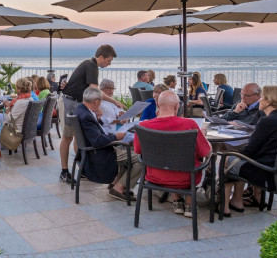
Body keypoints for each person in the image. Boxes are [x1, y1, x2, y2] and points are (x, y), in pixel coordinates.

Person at [134, 91, 212, 218]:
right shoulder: (189, 125)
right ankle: (189, 204)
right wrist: (203, 135)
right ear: (177, 107)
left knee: (168, 156)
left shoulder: (144, 126)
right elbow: (206, 152)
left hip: (155, 177)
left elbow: (138, 151)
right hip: (186, 178)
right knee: (194, 158)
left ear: (158, 106)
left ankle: (177, 201)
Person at [222, 85, 277, 216]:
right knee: (234, 159)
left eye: (262, 98)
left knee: (227, 159)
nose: (260, 100)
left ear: (268, 102)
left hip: (268, 174)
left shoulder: (267, 121)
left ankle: (225, 206)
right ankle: (236, 200)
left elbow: (249, 152)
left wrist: (229, 155)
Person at [58, 45, 124, 183]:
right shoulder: (91, 65)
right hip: (69, 102)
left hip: (77, 103)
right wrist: (114, 101)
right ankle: (64, 171)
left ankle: (83, 168)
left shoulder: (90, 65)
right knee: (67, 137)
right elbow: (95, 91)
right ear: (101, 57)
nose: (109, 64)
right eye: (109, 61)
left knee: (79, 138)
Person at [75, 86, 141, 201]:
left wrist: (97, 118)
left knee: (130, 152)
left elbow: (93, 133)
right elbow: (97, 141)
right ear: (95, 101)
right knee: (140, 158)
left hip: (91, 150)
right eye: (101, 101)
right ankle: (119, 188)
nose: (101, 104)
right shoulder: (86, 116)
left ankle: (116, 183)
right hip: (99, 153)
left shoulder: (80, 110)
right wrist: (116, 137)